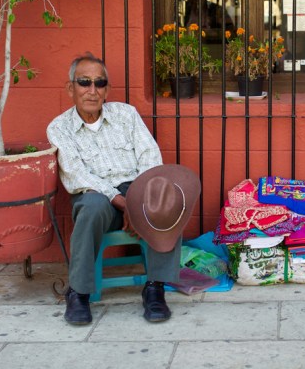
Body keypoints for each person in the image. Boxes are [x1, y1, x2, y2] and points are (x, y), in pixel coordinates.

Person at [47, 53, 200, 325]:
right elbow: (76, 175)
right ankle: (79, 293)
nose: (92, 90)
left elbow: (149, 157)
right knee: (91, 207)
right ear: (71, 88)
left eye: (99, 83)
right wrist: (122, 201)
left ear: (107, 89)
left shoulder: (126, 115)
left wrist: (141, 200)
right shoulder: (59, 128)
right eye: (84, 82)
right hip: (97, 196)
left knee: (167, 199)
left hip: (135, 190)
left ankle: (155, 288)